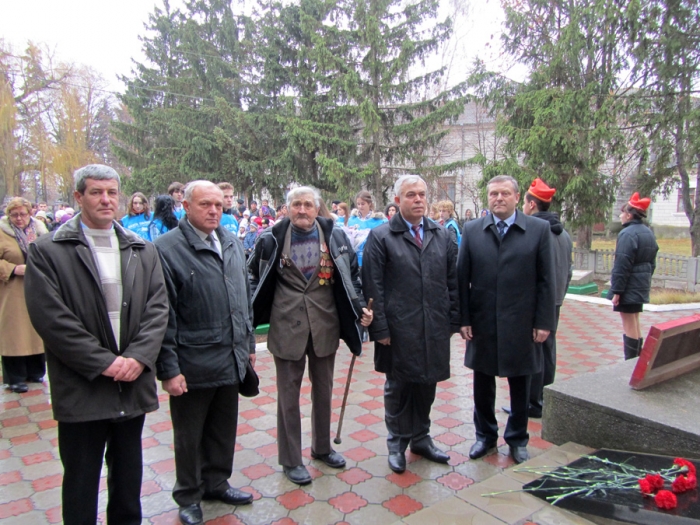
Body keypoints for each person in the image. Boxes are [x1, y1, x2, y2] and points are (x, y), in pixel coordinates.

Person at [24, 164, 169, 525]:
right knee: (81, 479)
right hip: (83, 386)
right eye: (96, 192)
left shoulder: (141, 249)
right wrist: (104, 362)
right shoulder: (49, 250)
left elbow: (157, 307)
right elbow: (52, 319)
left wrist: (137, 357)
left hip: (130, 385)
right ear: (78, 197)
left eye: (111, 192)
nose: (106, 200)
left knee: (128, 476)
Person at [249, 186, 372, 486]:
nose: (302, 210)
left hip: (324, 325)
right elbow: (253, 276)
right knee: (288, 398)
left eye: (307, 205)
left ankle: (322, 448)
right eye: (296, 205)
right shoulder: (270, 239)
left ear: (317, 209)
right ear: (287, 208)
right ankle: (291, 460)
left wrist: (359, 309)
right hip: (286, 326)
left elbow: (352, 274)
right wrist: (250, 315)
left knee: (324, 391)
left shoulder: (336, 236)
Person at [154, 181, 255, 525]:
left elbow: (243, 297)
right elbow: (162, 315)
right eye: (205, 205)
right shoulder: (167, 249)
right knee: (189, 435)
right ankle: (188, 496)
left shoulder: (230, 240)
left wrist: (248, 346)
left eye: (218, 204)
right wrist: (168, 369)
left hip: (230, 355)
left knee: (223, 427)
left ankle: (216, 482)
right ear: (186, 205)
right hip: (191, 362)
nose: (214, 210)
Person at [362, 175, 459, 474]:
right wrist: (380, 331)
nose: (418, 200)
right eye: (410, 195)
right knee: (399, 387)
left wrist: (452, 321)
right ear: (398, 200)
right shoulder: (381, 237)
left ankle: (421, 438)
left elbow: (452, 282)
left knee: (426, 384)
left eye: (422, 195)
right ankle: (397, 442)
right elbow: (372, 287)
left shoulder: (441, 235)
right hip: (398, 329)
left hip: (433, 326)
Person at [458, 175, 555, 465]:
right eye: (493, 194)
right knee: (482, 383)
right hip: (483, 321)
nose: (498, 198)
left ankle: (517, 439)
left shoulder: (538, 230)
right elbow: (462, 279)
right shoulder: (473, 229)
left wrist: (544, 322)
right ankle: (485, 437)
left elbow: (546, 280)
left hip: (522, 322)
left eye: (504, 193)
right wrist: (463, 319)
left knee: (520, 383)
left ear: (516, 197)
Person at [518, 178, 573, 417]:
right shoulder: (564, 234)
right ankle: (543, 397)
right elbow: (568, 270)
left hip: (535, 302)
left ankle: (532, 402)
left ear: (531, 204)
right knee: (548, 348)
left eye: (523, 202)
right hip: (556, 299)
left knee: (533, 351)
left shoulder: (531, 231)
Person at [1, 198, 49, 393]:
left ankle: (35, 371)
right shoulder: (3, 233)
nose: (19, 219)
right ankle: (15, 377)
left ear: (30, 213)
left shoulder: (40, 232)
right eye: (14, 215)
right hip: (12, 289)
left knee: (36, 331)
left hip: (38, 288)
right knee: (15, 333)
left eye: (22, 214)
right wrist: (13, 268)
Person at [606, 192, 658, 360]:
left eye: (622, 213)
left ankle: (631, 362)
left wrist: (617, 290)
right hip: (640, 285)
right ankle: (638, 359)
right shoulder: (648, 233)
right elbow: (652, 263)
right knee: (634, 321)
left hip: (628, 286)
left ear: (629, 215)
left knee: (628, 322)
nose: (620, 216)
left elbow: (622, 265)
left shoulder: (627, 234)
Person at [346, 190, 387, 266]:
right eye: (358, 204)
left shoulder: (379, 221)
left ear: (369, 203)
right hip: (355, 261)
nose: (360, 206)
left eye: (363, 204)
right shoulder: (351, 220)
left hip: (372, 261)